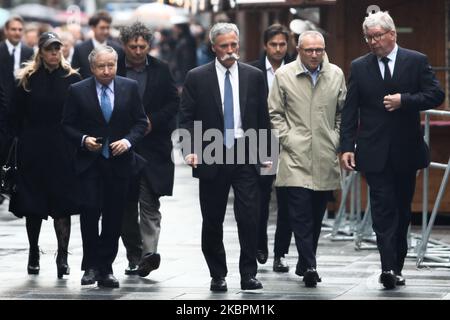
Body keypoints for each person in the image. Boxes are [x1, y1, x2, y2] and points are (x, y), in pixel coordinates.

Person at [340, 11, 444, 289]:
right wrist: (346, 147)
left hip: (406, 151)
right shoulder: (360, 66)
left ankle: (396, 263)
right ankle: (387, 267)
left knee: (400, 209)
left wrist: (405, 100)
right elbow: (350, 111)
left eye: (377, 36)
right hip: (373, 152)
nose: (373, 42)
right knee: (383, 209)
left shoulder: (416, 61)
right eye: (368, 37)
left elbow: (436, 94)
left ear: (392, 34)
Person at [179, 22, 270, 292]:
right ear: (213, 48)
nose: (230, 51)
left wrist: (268, 156)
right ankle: (217, 274)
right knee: (212, 218)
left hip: (245, 151)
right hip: (211, 151)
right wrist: (189, 150)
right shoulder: (197, 77)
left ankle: (248, 274)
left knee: (249, 216)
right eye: (224, 46)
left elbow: (263, 119)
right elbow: (185, 118)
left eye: (234, 45)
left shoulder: (253, 76)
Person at [62, 45, 148, 288]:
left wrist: (128, 141)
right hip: (90, 164)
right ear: (92, 68)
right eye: (101, 66)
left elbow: (141, 122)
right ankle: (90, 266)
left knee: (113, 216)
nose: (107, 70)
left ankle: (106, 268)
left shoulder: (129, 88)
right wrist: (83, 140)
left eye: (111, 65)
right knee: (89, 214)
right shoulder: (77, 91)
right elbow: (67, 125)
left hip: (119, 163)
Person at [269, 30, 346, 287]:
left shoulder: (335, 74)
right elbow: (274, 113)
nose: (315, 55)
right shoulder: (284, 75)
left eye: (319, 50)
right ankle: (311, 265)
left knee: (315, 214)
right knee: (299, 213)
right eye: (309, 50)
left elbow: (342, 113)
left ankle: (305, 260)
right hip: (294, 156)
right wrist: (288, 139)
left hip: (324, 154)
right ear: (299, 50)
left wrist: (334, 138)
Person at [9, 32, 81, 278]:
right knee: (33, 205)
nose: (54, 53)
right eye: (49, 49)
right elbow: (14, 115)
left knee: (63, 204)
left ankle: (62, 255)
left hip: (62, 148)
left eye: (57, 48)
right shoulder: (27, 80)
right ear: (40, 51)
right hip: (34, 149)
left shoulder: (72, 79)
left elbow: (79, 114)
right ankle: (33, 251)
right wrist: (21, 141)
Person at [117, 22, 179, 277]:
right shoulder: (114, 67)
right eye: (134, 46)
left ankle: (148, 255)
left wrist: (154, 120)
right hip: (122, 148)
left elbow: (173, 102)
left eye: (143, 46)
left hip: (153, 149)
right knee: (125, 206)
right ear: (124, 45)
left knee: (150, 202)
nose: (139, 50)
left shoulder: (161, 69)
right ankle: (134, 253)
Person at [248, 23, 293, 273]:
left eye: (282, 44)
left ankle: (281, 253)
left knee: (286, 198)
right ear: (265, 46)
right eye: (273, 44)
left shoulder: (296, 68)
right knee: (261, 197)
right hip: (263, 141)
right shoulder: (253, 71)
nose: (278, 49)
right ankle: (260, 244)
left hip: (289, 141)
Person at [71, 10, 122, 79]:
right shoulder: (80, 49)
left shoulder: (118, 49)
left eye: (108, 27)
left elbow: (121, 74)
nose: (106, 31)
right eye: (102, 28)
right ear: (93, 28)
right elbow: (75, 73)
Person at [0, 16, 34, 117]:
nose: (17, 32)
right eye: (13, 29)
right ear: (6, 31)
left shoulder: (29, 51)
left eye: (20, 29)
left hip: (20, 105)